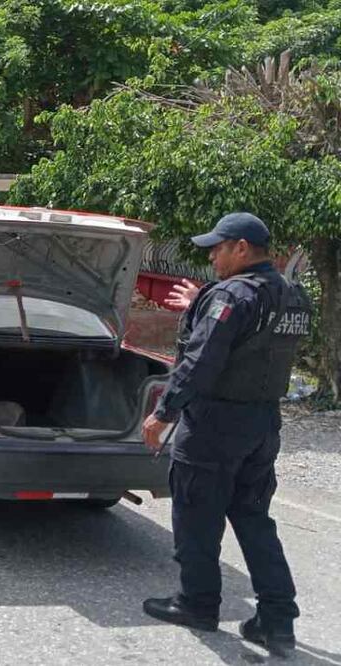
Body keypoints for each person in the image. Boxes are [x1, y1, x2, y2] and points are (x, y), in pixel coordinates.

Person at [140, 213, 312, 658]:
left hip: (214, 425)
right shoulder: (293, 295)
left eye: (218, 248)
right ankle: (277, 621)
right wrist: (204, 304)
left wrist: (163, 413)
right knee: (255, 521)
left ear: (241, 248)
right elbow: (252, 340)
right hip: (262, 425)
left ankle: (197, 604)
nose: (212, 256)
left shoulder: (232, 296)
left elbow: (202, 361)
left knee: (197, 518)